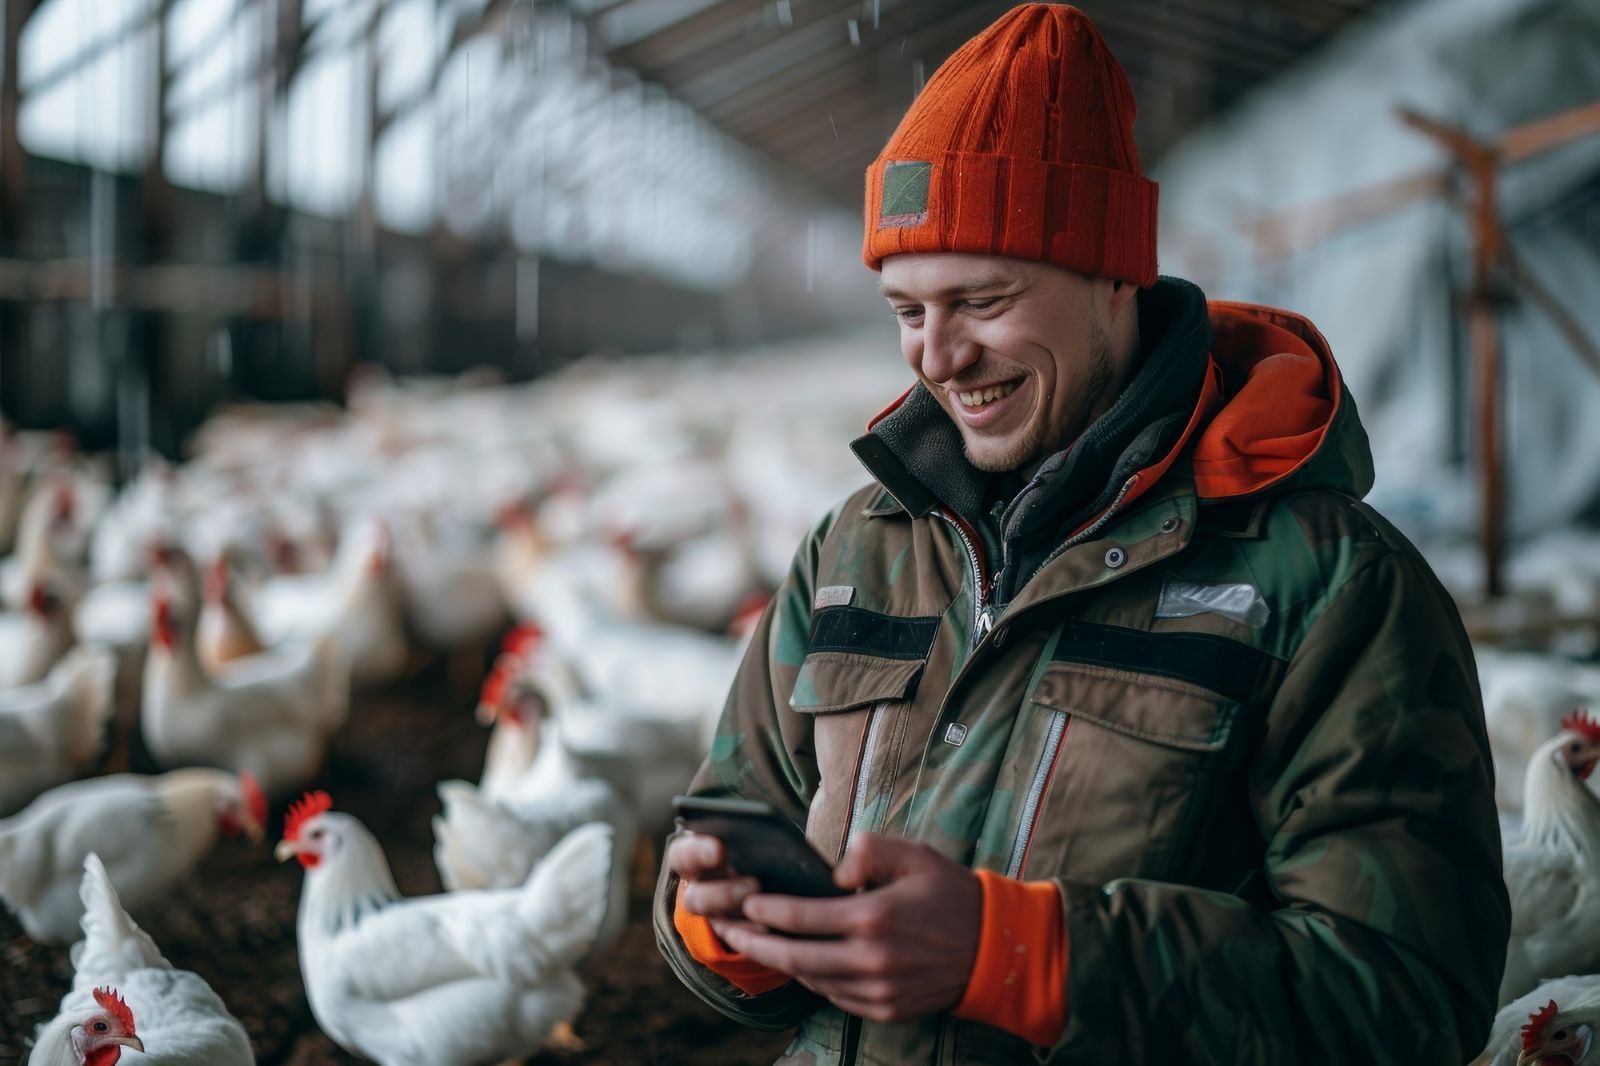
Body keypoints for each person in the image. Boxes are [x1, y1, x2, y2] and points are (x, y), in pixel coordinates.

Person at [653, 4, 1509, 1062]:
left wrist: (1025, 959)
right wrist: (724, 924)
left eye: (981, 299)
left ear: (1115, 275)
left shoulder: (1328, 584)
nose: (936, 357)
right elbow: (734, 821)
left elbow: (1404, 1003)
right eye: (905, 310)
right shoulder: (857, 548)